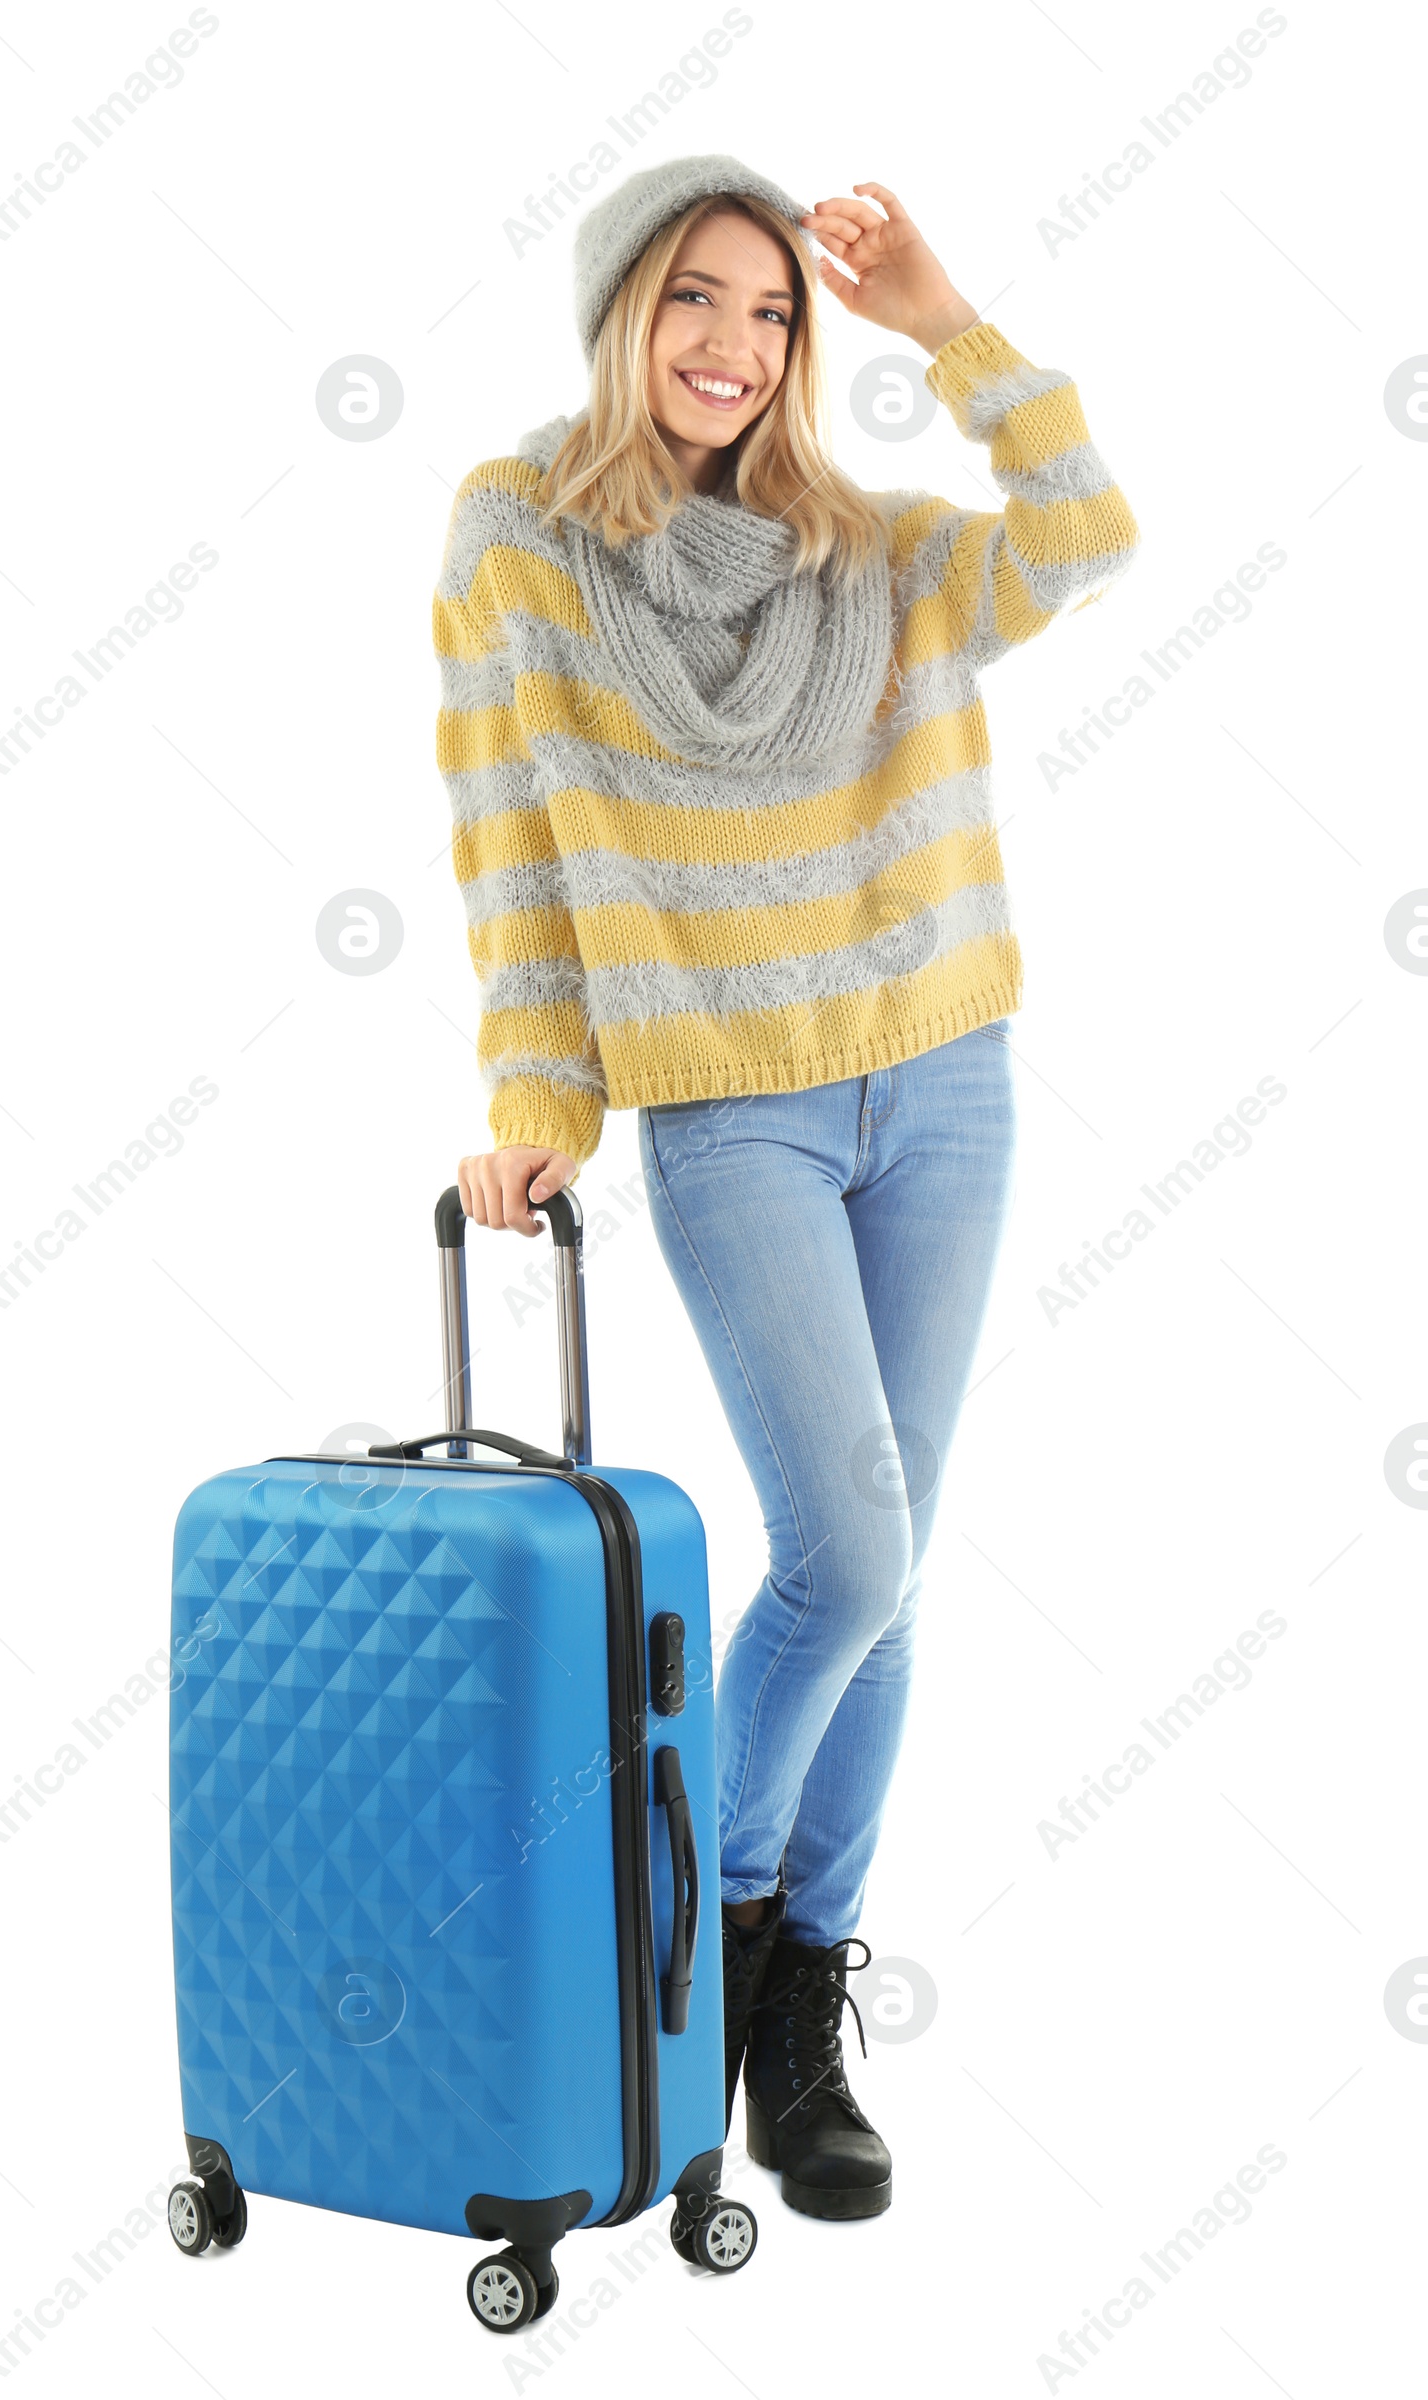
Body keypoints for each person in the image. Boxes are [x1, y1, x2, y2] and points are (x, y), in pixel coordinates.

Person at [432, 153, 1137, 2221]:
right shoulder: (518, 541)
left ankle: (785, 1985)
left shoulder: (875, 552)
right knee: (844, 1543)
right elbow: (504, 837)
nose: (733, 345)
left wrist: (940, 318)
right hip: (723, 1103)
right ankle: (721, 1929)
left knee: (881, 1558)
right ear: (617, 321)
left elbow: (1088, 532)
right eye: (690, 304)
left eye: (766, 311)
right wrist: (531, 1082)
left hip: (942, 1082)